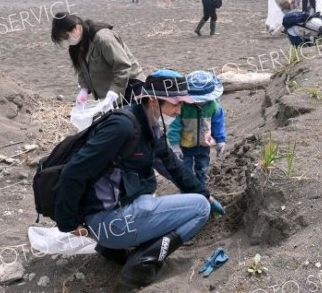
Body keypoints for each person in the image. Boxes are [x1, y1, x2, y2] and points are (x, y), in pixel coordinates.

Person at [54, 69, 226, 288]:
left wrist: (207, 195)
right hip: (108, 221)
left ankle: (117, 250)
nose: (180, 109)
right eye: (176, 103)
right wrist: (68, 223)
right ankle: (141, 265)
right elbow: (74, 172)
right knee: (199, 209)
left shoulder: (148, 124)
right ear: (153, 100)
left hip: (115, 217)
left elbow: (172, 166)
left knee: (161, 198)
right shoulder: (123, 127)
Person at [51, 12, 146, 106]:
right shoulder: (78, 43)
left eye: (66, 36)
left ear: (76, 27)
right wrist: (84, 89)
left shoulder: (103, 38)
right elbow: (82, 69)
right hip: (109, 92)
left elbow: (123, 66)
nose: (67, 40)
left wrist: (114, 91)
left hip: (130, 87)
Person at [167, 70, 226, 188]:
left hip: (204, 145)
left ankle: (201, 187)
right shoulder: (182, 107)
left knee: (203, 168)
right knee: (185, 170)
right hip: (185, 146)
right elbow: (174, 126)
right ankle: (187, 189)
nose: (199, 102)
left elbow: (218, 124)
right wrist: (175, 146)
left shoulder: (214, 106)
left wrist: (220, 140)